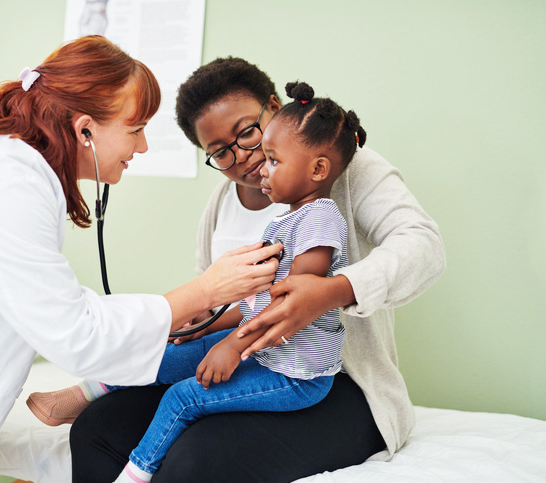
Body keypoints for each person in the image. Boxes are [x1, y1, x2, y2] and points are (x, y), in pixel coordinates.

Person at [0, 38, 282, 482]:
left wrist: (186, 308)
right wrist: (204, 291)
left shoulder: (10, 168)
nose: (142, 148)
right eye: (136, 129)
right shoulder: (4, 180)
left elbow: (51, 307)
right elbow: (74, 330)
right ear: (86, 129)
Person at [70, 57, 446, 482]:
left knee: (197, 457)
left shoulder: (346, 169)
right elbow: (218, 294)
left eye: (247, 133)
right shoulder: (220, 204)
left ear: (274, 108)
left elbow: (424, 246)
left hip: (331, 380)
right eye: (219, 152)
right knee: (97, 428)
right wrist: (202, 322)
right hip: (250, 358)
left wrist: (334, 290)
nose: (244, 157)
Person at [27, 81, 358, 483]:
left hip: (294, 373)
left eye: (272, 158)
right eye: (220, 151)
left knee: (182, 397)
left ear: (318, 169)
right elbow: (253, 297)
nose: (258, 166)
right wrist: (201, 322)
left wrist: (233, 346)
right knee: (165, 351)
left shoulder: (321, 217)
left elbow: (290, 304)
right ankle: (86, 392)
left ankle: (135, 474)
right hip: (261, 349)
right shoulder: (284, 217)